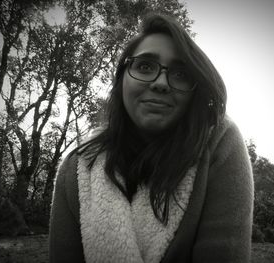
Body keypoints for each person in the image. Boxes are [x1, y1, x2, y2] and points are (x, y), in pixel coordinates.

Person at [49, 13, 253, 263]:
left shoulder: (220, 145)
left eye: (180, 74)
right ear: (121, 78)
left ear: (194, 91)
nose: (161, 83)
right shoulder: (77, 169)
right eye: (145, 66)